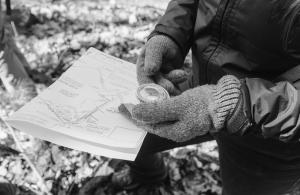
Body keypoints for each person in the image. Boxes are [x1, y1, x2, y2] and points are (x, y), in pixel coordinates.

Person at [111, 0, 300, 195]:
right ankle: (148, 175)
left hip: (269, 134)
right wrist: (170, 34)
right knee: (123, 127)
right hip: (198, 86)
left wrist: (239, 103)